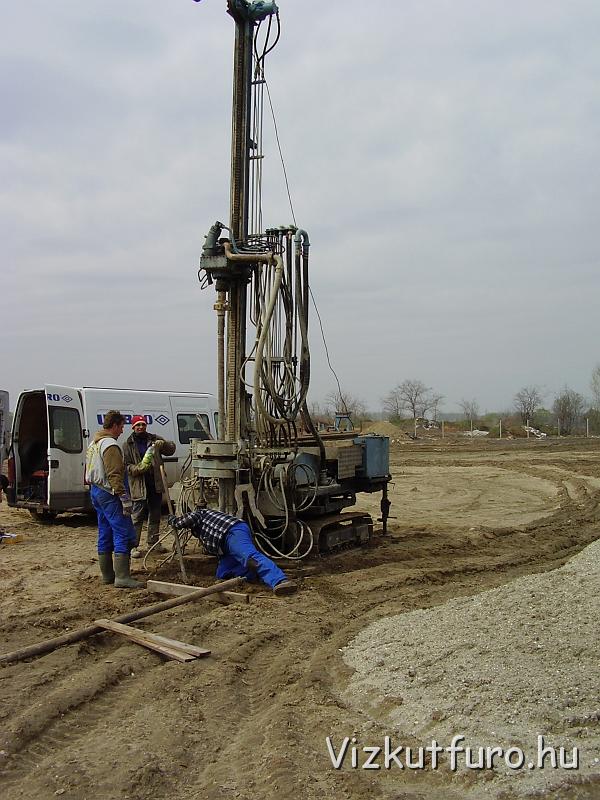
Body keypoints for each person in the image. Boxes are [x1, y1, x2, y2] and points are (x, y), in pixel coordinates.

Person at [167, 506, 298, 596]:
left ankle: (280, 581)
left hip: (232, 532)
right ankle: (253, 574)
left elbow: (189, 519)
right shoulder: (201, 530)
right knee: (222, 573)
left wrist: (175, 521)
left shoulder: (199, 514)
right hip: (225, 547)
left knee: (249, 557)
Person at [86, 410, 141, 589]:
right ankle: (122, 577)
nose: (122, 430)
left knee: (105, 531)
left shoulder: (94, 443)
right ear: (115, 425)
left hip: (96, 490)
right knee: (122, 531)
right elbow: (114, 474)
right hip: (109, 493)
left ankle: (108, 575)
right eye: (122, 427)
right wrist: (123, 497)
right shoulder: (110, 445)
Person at [123, 415, 176, 558]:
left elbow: (171, 450)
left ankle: (153, 542)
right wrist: (138, 469)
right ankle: (133, 546)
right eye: (138, 425)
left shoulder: (154, 439)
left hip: (155, 483)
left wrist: (163, 444)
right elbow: (126, 466)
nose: (141, 427)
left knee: (155, 514)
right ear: (133, 427)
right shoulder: (128, 444)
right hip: (139, 484)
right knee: (137, 516)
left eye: (143, 424)